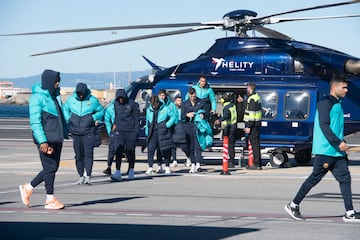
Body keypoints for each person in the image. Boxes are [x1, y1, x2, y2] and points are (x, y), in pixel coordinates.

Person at [285, 75, 360, 222]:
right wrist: (338, 143)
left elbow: (335, 127)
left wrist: (341, 142)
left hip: (337, 152)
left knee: (345, 180)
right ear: (334, 87)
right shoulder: (325, 103)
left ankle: (349, 212)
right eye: (343, 87)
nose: (346, 90)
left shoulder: (337, 103)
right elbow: (324, 126)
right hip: (326, 150)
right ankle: (293, 205)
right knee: (314, 179)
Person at [19, 69, 68, 210]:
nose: (57, 84)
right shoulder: (37, 98)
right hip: (47, 139)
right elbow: (35, 122)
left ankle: (27, 188)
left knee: (51, 168)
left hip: (56, 138)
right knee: (50, 168)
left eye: (58, 81)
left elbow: (61, 117)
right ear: (48, 81)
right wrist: (43, 141)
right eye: (55, 81)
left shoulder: (54, 96)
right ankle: (50, 199)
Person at [63, 83, 104, 185]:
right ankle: (81, 175)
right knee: (78, 155)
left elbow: (101, 111)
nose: (81, 95)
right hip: (75, 132)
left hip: (88, 131)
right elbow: (65, 109)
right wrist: (69, 118)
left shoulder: (93, 100)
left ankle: (88, 176)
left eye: (83, 93)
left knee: (88, 154)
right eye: (79, 93)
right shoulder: (71, 100)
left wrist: (94, 118)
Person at [105, 89, 140, 181]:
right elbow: (116, 116)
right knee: (118, 150)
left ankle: (131, 169)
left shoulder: (132, 104)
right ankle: (117, 171)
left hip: (130, 131)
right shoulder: (115, 104)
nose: (120, 99)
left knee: (130, 151)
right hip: (119, 131)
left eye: (122, 98)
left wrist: (136, 132)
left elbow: (136, 119)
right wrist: (114, 126)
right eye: (119, 98)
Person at [145, 95, 176, 175]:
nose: (154, 105)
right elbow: (147, 121)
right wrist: (147, 131)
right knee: (150, 150)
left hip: (163, 131)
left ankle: (167, 166)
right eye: (153, 104)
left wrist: (167, 125)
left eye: (155, 104)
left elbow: (173, 117)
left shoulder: (165, 108)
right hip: (152, 132)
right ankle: (150, 167)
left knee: (164, 149)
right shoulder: (149, 109)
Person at [182, 87, 205, 173]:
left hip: (198, 126)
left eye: (194, 96)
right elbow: (182, 117)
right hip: (188, 126)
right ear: (189, 95)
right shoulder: (185, 104)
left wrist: (202, 114)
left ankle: (198, 163)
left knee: (198, 145)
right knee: (190, 146)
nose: (193, 98)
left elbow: (205, 111)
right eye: (192, 96)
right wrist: (187, 115)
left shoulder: (200, 102)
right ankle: (193, 163)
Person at [156, 89, 177, 172]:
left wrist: (168, 124)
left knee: (167, 147)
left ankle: (167, 165)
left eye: (163, 95)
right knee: (159, 148)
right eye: (160, 95)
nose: (162, 97)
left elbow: (174, 115)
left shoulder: (171, 105)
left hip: (168, 129)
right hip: (159, 129)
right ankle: (159, 165)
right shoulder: (156, 104)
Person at [215, 93, 237, 168]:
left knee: (228, 145)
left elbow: (226, 116)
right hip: (233, 126)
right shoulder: (232, 105)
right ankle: (231, 159)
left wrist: (219, 120)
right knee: (231, 145)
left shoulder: (226, 107)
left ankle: (230, 161)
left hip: (229, 128)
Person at [243, 83, 262, 170]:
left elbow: (251, 114)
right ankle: (257, 163)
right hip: (256, 123)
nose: (247, 90)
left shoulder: (252, 99)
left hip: (253, 124)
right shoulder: (257, 97)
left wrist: (248, 126)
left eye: (248, 88)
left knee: (254, 145)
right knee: (256, 144)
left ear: (250, 89)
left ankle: (256, 163)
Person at [171, 95, 191, 167]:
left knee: (184, 146)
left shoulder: (184, 108)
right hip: (174, 127)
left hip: (182, 127)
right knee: (173, 146)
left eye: (180, 101)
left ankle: (189, 158)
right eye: (178, 101)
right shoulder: (172, 108)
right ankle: (174, 160)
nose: (180, 102)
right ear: (175, 101)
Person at [103, 102, 116, 175]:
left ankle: (130, 168)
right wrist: (110, 132)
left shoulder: (125, 106)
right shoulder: (110, 108)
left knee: (126, 150)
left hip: (124, 130)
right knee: (111, 150)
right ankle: (109, 167)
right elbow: (107, 121)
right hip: (114, 131)